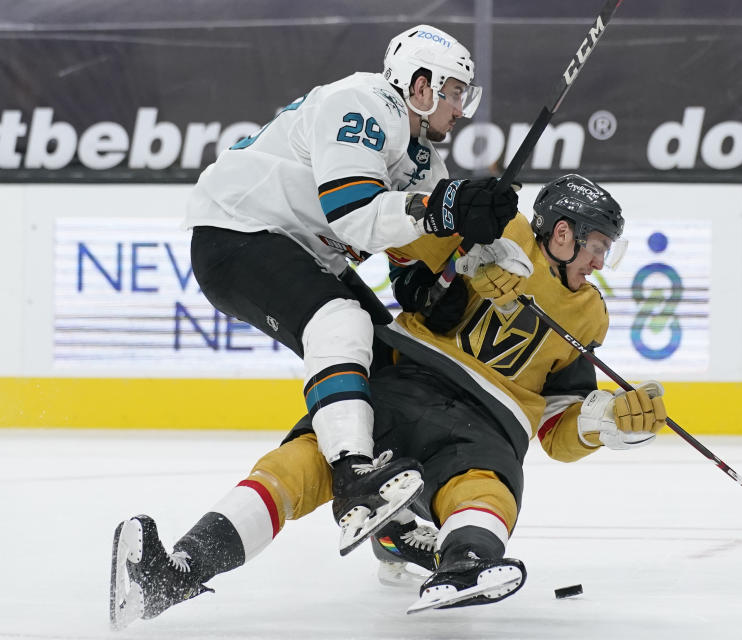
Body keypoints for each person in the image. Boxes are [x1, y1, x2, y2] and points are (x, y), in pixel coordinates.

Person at [109, 175, 667, 627]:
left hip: (489, 428)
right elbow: (388, 232)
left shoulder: (589, 315)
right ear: (563, 234)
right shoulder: (503, 228)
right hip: (405, 381)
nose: (599, 262)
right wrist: (461, 253)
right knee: (308, 460)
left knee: (486, 487)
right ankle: (171, 575)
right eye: (597, 246)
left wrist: (608, 424)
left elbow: (556, 433)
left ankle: (464, 565)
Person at [181, 22, 518, 559]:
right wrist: (445, 207)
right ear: (420, 85)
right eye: (454, 92)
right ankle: (354, 474)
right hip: (237, 234)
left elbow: (416, 263)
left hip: (300, 249)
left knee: (391, 364)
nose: (461, 109)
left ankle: (391, 527)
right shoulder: (361, 104)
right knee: (342, 321)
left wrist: (467, 257)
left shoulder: (425, 159)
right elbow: (356, 212)